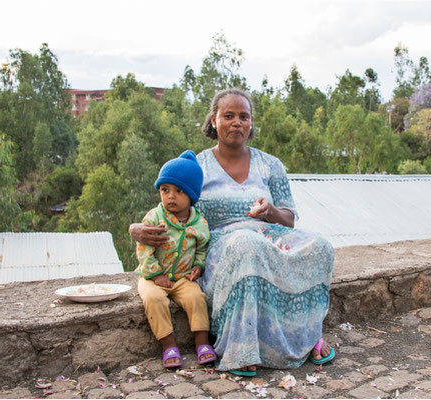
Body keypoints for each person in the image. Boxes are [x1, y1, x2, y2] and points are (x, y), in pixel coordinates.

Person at [130, 89, 335, 376]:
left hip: (269, 232)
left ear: (251, 124)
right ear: (213, 120)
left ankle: (306, 335)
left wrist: (270, 211)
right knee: (245, 243)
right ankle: (242, 348)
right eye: (228, 116)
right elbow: (168, 204)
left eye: (244, 116)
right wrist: (135, 228)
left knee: (321, 246)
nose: (236, 122)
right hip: (222, 243)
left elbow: (288, 218)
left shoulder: (270, 164)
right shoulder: (197, 166)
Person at [135, 150, 216, 369]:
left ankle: (202, 342)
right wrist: (155, 274)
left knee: (197, 298)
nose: (170, 196)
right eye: (165, 190)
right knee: (154, 300)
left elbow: (201, 249)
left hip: (181, 278)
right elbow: (144, 248)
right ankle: (168, 345)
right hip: (151, 277)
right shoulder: (154, 218)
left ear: (192, 195)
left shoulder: (199, 224)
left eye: (179, 191)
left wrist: (198, 266)